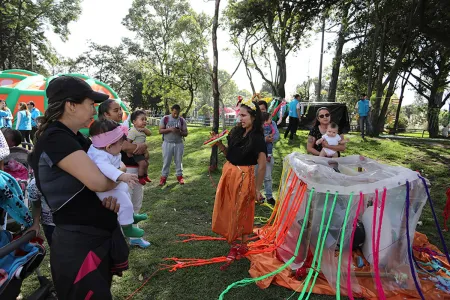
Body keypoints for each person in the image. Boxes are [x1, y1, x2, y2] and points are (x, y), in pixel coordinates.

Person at [28, 75, 129, 299]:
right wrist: (118, 176)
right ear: (71, 106)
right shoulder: (56, 138)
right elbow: (99, 181)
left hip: (94, 237)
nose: (94, 111)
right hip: (79, 245)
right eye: (90, 104)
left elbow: (116, 164)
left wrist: (115, 175)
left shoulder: (77, 138)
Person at [213, 100, 267, 261]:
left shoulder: (257, 137)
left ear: (254, 117)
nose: (240, 119)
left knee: (242, 208)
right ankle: (233, 240)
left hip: (244, 176)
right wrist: (219, 144)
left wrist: (257, 189)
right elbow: (230, 154)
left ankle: (242, 244)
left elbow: (262, 165)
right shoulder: (236, 132)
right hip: (229, 173)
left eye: (243, 115)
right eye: (239, 115)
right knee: (229, 206)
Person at [98, 100, 151, 248]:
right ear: (105, 114)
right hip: (122, 172)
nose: (120, 112)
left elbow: (132, 147)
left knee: (134, 201)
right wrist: (141, 146)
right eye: (115, 110)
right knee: (121, 203)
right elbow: (128, 147)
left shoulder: (121, 127)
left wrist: (141, 147)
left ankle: (133, 236)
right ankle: (121, 238)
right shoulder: (104, 131)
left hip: (130, 170)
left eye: (120, 109)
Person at [87, 119, 147, 238]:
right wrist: (123, 176)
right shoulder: (99, 156)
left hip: (113, 184)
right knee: (124, 202)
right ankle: (128, 228)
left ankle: (130, 216)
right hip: (104, 190)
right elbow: (107, 169)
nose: (121, 148)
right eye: (120, 144)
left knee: (126, 192)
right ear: (109, 146)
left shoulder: (106, 150)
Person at [158, 104, 188, 186]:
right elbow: (160, 131)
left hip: (178, 143)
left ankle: (179, 177)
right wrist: (170, 129)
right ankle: (163, 178)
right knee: (166, 161)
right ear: (171, 110)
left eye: (177, 113)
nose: (176, 115)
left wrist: (180, 132)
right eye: (174, 113)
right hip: (167, 143)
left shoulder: (181, 120)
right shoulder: (165, 119)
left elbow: (186, 133)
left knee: (178, 161)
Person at [257, 101, 279, 205]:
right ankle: (255, 195)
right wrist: (264, 139)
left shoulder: (272, 123)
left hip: (267, 154)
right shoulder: (254, 123)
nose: (261, 111)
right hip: (255, 155)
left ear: (266, 109)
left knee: (267, 176)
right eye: (259, 109)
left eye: (263, 109)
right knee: (254, 175)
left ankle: (269, 196)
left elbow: (276, 136)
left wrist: (269, 139)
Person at [27, 178, 55, 246]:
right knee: (55, 248)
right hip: (50, 224)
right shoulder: (35, 184)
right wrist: (36, 223)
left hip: (74, 223)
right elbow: (36, 205)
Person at [127, 110, 151, 185]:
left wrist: (144, 129)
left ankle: (145, 175)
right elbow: (128, 142)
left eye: (145, 120)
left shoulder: (143, 130)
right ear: (134, 122)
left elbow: (149, 133)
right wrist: (129, 152)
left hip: (142, 150)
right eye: (142, 119)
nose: (144, 121)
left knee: (147, 163)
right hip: (136, 151)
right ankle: (140, 177)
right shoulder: (133, 131)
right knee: (142, 163)